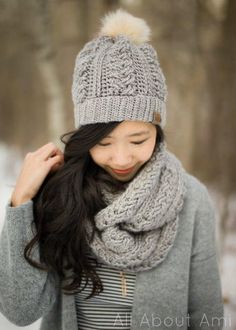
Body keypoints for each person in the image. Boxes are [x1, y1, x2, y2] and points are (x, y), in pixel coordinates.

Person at [0, 8, 224, 330]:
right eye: (104, 143)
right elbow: (20, 311)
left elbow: (207, 317)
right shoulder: (62, 195)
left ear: (158, 131)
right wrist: (22, 201)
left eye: (137, 140)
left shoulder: (191, 200)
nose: (121, 158)